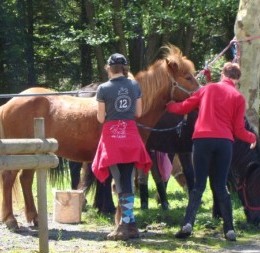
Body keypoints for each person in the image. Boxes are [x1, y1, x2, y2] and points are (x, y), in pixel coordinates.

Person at [166, 62, 256, 241]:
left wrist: (169, 106)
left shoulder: (208, 89)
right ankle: (229, 229)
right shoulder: (238, 97)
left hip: (202, 141)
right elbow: (238, 130)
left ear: (222, 74)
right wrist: (252, 138)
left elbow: (185, 106)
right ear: (237, 80)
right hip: (224, 143)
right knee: (221, 185)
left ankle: (187, 224)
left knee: (199, 185)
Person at [92, 53, 152, 241]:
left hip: (113, 139)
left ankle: (126, 226)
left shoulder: (103, 88)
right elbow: (139, 112)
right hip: (131, 137)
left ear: (109, 68)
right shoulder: (134, 85)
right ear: (125, 69)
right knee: (127, 178)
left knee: (121, 181)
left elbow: (100, 118)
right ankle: (129, 223)